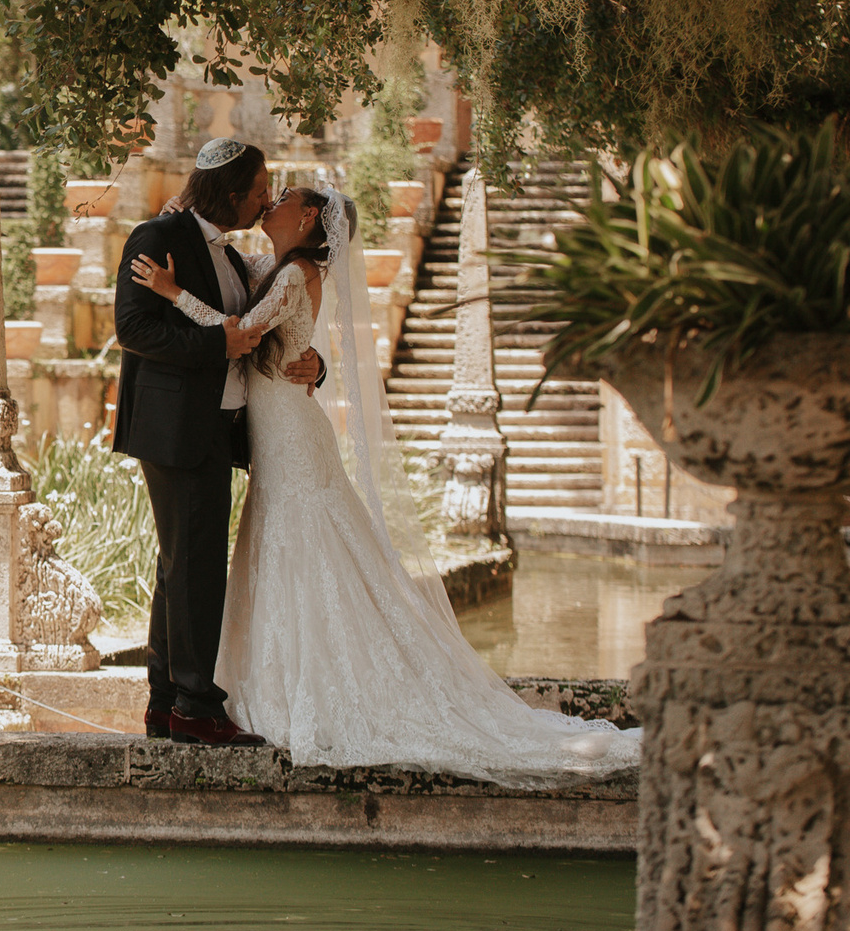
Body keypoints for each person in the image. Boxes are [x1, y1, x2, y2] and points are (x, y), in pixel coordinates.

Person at [128, 184, 637, 783]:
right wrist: (181, 220)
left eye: (286, 195)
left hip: (291, 434)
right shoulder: (275, 266)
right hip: (279, 430)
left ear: (310, 215)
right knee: (284, 549)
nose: (275, 199)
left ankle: (323, 692)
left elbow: (235, 330)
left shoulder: (294, 274)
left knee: (308, 546)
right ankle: (275, 685)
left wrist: (171, 292)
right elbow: (248, 287)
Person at [109, 137, 319, 748]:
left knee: (181, 566)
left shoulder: (234, 255)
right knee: (195, 567)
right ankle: (197, 708)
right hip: (175, 428)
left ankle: (167, 703)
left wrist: (315, 365)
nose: (264, 203)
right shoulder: (158, 238)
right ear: (230, 195)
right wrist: (213, 346)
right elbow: (133, 328)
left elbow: (278, 331)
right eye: (258, 193)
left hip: (216, 428)